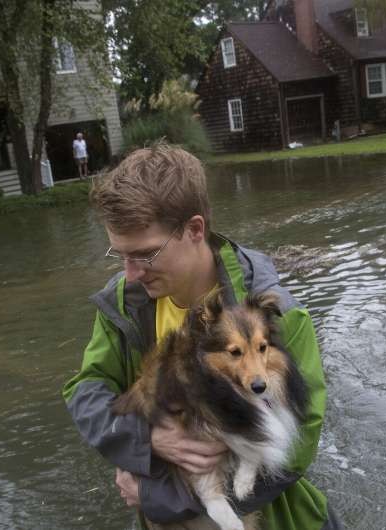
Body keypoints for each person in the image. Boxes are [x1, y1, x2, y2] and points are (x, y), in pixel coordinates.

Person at [61, 144, 341, 529]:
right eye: (119, 254)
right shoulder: (124, 303)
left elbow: (298, 446)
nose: (130, 274)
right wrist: (146, 439)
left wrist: (159, 498)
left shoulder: (274, 315)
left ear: (195, 229)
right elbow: (87, 388)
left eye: (144, 254)